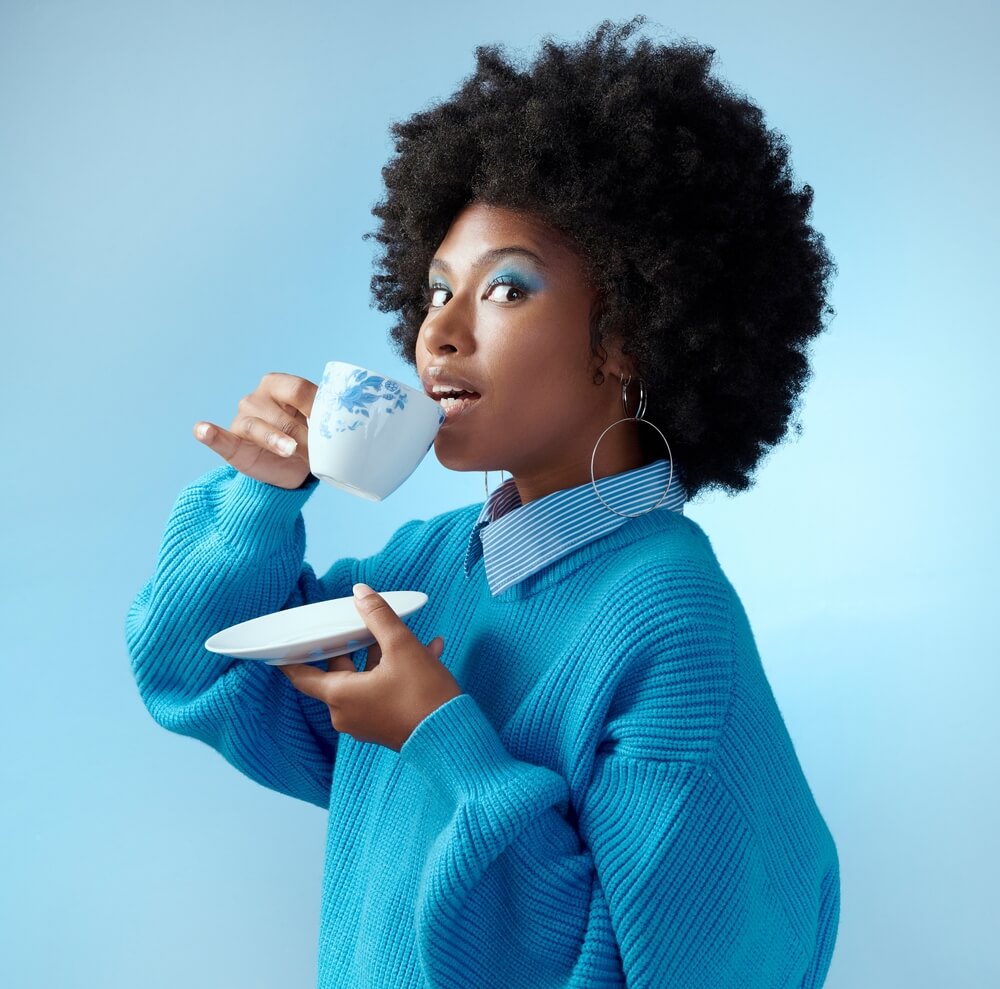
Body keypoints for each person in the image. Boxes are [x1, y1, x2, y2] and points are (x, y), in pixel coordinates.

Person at [126, 17, 839, 988]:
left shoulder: (671, 619)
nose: (438, 335)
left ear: (629, 330)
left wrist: (439, 735)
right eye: (433, 290)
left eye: (506, 289)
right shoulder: (427, 565)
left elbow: (658, 969)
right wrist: (261, 493)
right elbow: (189, 666)